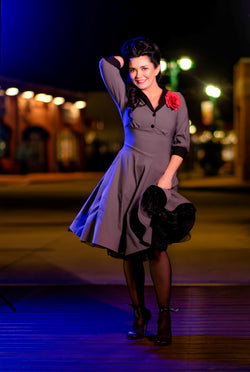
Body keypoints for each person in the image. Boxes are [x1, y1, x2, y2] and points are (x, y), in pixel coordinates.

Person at [69, 37, 195, 345]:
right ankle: (140, 314)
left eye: (145, 68)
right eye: (134, 69)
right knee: (131, 249)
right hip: (127, 177)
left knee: (157, 248)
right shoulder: (126, 95)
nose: (139, 75)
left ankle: (164, 315)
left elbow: (182, 144)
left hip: (161, 179)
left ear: (158, 68)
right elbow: (105, 64)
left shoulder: (175, 100)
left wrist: (166, 179)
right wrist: (129, 57)